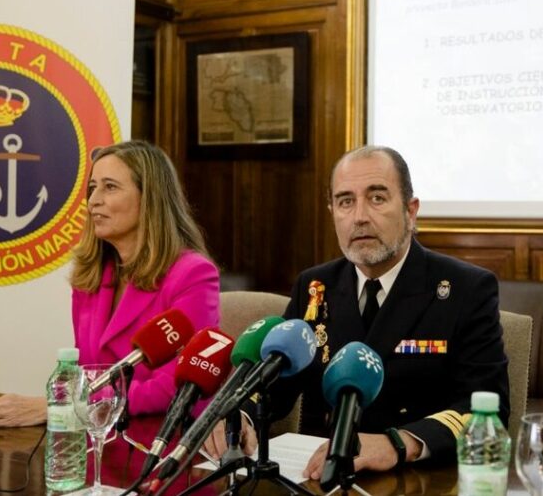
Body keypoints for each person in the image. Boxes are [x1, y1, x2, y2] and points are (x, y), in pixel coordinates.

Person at [206, 145, 510, 481]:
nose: (359, 216)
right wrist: (241, 418)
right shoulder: (315, 286)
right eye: (345, 201)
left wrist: (397, 443)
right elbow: (278, 383)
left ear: (411, 211)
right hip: (324, 478)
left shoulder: (465, 289)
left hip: (418, 479)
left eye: (377, 198)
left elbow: (487, 407)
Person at [0, 140, 220, 427]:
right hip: (99, 431)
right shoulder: (91, 275)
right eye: (92, 188)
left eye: (110, 187)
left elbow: (177, 387)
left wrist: (63, 406)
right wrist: (68, 405)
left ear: (149, 197)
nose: (93, 201)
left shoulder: (193, 275)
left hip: (161, 438)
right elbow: (86, 373)